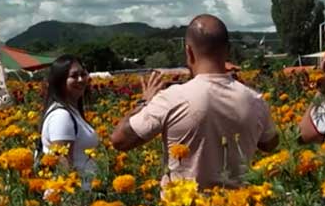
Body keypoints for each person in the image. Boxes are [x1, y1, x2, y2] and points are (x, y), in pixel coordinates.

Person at [111, 14, 279, 190]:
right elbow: (270, 144)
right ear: (228, 50)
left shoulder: (172, 99)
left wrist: (144, 102)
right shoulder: (255, 100)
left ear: (188, 52)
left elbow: (119, 140)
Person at [39, 55, 98, 191]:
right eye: (74, 76)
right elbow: (64, 166)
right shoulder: (61, 116)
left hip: (83, 193)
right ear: (60, 81)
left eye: (83, 74)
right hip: (72, 197)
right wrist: (74, 205)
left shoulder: (71, 111)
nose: (81, 79)